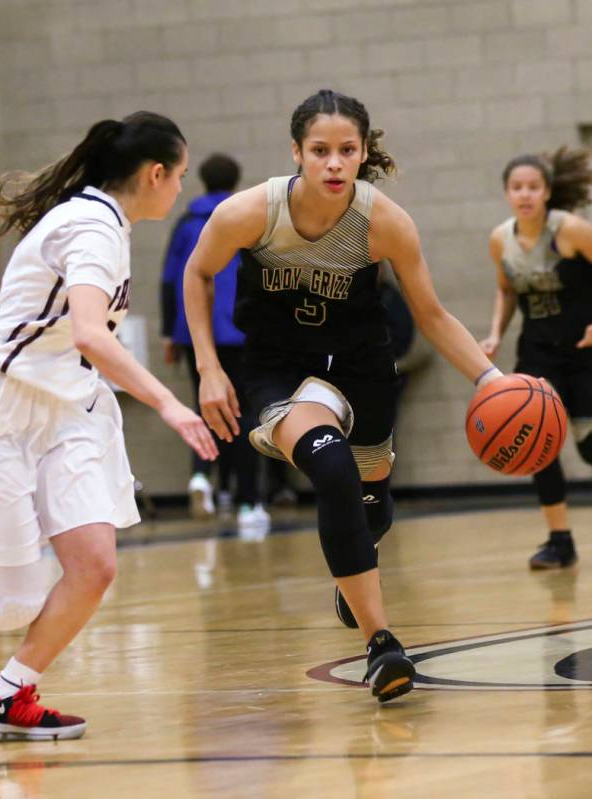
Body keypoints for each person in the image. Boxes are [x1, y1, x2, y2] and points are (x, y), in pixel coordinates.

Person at [0, 112, 217, 740]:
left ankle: (7, 697)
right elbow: (87, 330)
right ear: (156, 173)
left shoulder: (107, 222)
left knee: (94, 567)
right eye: (180, 177)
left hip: (67, 411)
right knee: (16, 601)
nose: (180, 189)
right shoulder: (90, 226)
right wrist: (169, 403)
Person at [183, 89, 503, 702]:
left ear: (362, 154)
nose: (333, 163)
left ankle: (355, 559)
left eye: (346, 151)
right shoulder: (251, 212)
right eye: (320, 150)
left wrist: (491, 380)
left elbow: (431, 315)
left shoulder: (383, 222)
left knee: (371, 508)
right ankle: (383, 646)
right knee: (330, 470)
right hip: (279, 370)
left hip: (361, 370)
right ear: (296, 153)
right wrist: (207, 366)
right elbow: (199, 274)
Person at [481, 147, 592, 570]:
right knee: (537, 444)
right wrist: (495, 334)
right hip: (538, 353)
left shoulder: (573, 231)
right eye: (516, 187)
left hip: (584, 353)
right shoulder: (499, 240)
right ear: (507, 193)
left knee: (588, 447)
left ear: (546, 192)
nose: (524, 194)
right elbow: (507, 289)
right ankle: (559, 540)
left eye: (533, 187)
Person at [161, 153, 269, 535]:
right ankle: (247, 501)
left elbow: (169, 280)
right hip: (238, 333)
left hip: (194, 333)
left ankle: (202, 476)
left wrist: (168, 332)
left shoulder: (186, 224)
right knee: (241, 416)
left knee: (206, 405)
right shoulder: (244, 218)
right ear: (236, 180)